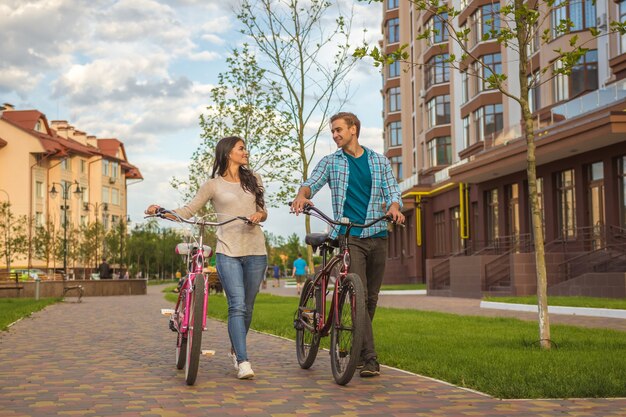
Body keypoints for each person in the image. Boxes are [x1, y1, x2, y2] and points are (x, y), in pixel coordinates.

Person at [291, 111, 405, 378]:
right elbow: (311, 184)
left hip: (377, 234)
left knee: (371, 298)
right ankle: (369, 358)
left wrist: (395, 207)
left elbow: (392, 192)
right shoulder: (332, 162)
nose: (335, 135)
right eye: (332, 131)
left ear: (354, 129)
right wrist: (301, 196)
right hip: (349, 235)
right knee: (360, 295)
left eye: (339, 130)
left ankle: (356, 345)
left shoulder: (379, 161)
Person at [145, 136, 267, 380]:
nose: (246, 152)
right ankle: (243, 362)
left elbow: (264, 211)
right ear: (228, 153)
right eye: (241, 148)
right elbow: (188, 211)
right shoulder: (213, 185)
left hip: (256, 251)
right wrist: (162, 211)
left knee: (249, 307)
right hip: (228, 251)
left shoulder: (254, 179)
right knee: (237, 305)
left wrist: (258, 215)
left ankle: (236, 349)